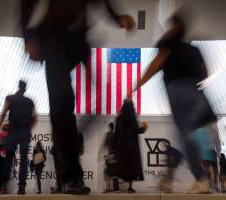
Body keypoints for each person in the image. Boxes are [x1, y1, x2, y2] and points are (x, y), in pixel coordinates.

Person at [20, 0, 135, 194]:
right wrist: (28, 37)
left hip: (76, 41)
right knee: (61, 108)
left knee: (62, 110)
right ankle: (70, 176)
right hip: (54, 40)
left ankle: (68, 176)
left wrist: (117, 18)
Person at [128, 15, 216, 194]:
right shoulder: (193, 49)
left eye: (169, 26)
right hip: (197, 94)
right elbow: (205, 73)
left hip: (179, 93)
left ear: (175, 27)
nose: (166, 29)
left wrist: (136, 86)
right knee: (184, 136)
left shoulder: (168, 43)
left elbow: (155, 65)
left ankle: (198, 179)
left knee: (184, 136)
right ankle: (170, 179)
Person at [0, 80, 37, 194]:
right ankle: (22, 187)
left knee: (8, 158)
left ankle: (3, 186)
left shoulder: (10, 98)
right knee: (24, 159)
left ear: (18, 87)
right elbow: (34, 118)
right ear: (25, 89)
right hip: (24, 131)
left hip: (13, 131)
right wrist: (28, 128)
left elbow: (4, 112)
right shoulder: (30, 101)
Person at [114, 101, 147, 193]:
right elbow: (138, 130)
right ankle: (130, 187)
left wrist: (114, 147)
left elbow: (116, 133)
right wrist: (145, 127)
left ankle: (118, 187)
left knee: (122, 166)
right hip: (132, 147)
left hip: (122, 147)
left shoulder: (119, 118)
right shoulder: (133, 119)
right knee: (132, 167)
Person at [102, 122, 119, 193]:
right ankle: (116, 188)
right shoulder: (116, 135)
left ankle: (108, 188)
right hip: (116, 156)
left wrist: (104, 155)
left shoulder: (108, 134)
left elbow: (105, 145)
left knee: (107, 173)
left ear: (109, 127)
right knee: (115, 173)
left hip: (110, 156)